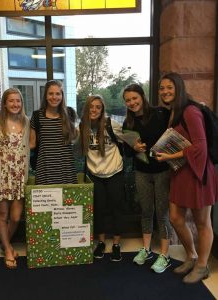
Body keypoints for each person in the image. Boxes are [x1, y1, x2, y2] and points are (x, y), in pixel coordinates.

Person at [156, 72, 218, 283]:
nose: (165, 91)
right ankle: (191, 256)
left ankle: (202, 266)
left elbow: (200, 146)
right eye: (162, 88)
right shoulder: (175, 111)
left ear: (179, 88)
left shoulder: (191, 111)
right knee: (175, 218)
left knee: (202, 222)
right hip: (181, 172)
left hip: (198, 173)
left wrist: (169, 156)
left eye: (169, 87)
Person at [122, 84, 172, 273]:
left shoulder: (161, 114)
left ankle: (165, 255)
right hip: (142, 171)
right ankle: (147, 250)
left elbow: (173, 135)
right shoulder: (128, 123)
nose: (132, 102)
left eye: (135, 98)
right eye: (128, 100)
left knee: (162, 213)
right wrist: (134, 148)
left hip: (163, 171)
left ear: (142, 96)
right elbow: (127, 152)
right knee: (146, 211)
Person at [0, 88, 30, 269]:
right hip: (2, 177)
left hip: (19, 177)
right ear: (4, 103)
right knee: (3, 215)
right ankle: (8, 249)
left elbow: (28, 146)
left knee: (16, 217)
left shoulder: (26, 122)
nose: (15, 104)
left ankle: (6, 244)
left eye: (18, 101)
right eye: (11, 101)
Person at [79, 95, 125, 261]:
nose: (94, 110)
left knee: (116, 209)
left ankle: (116, 244)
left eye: (98, 107)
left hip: (114, 172)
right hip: (95, 174)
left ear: (102, 109)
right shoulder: (82, 126)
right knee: (98, 209)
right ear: (86, 109)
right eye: (91, 106)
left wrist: (138, 144)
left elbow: (129, 138)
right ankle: (101, 242)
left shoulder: (111, 124)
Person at [29, 80, 78, 185]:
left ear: (62, 95)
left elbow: (75, 137)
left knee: (67, 200)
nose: (54, 97)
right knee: (47, 201)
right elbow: (32, 144)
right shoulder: (37, 116)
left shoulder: (70, 113)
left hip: (66, 169)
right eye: (51, 93)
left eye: (58, 94)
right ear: (46, 96)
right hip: (45, 169)